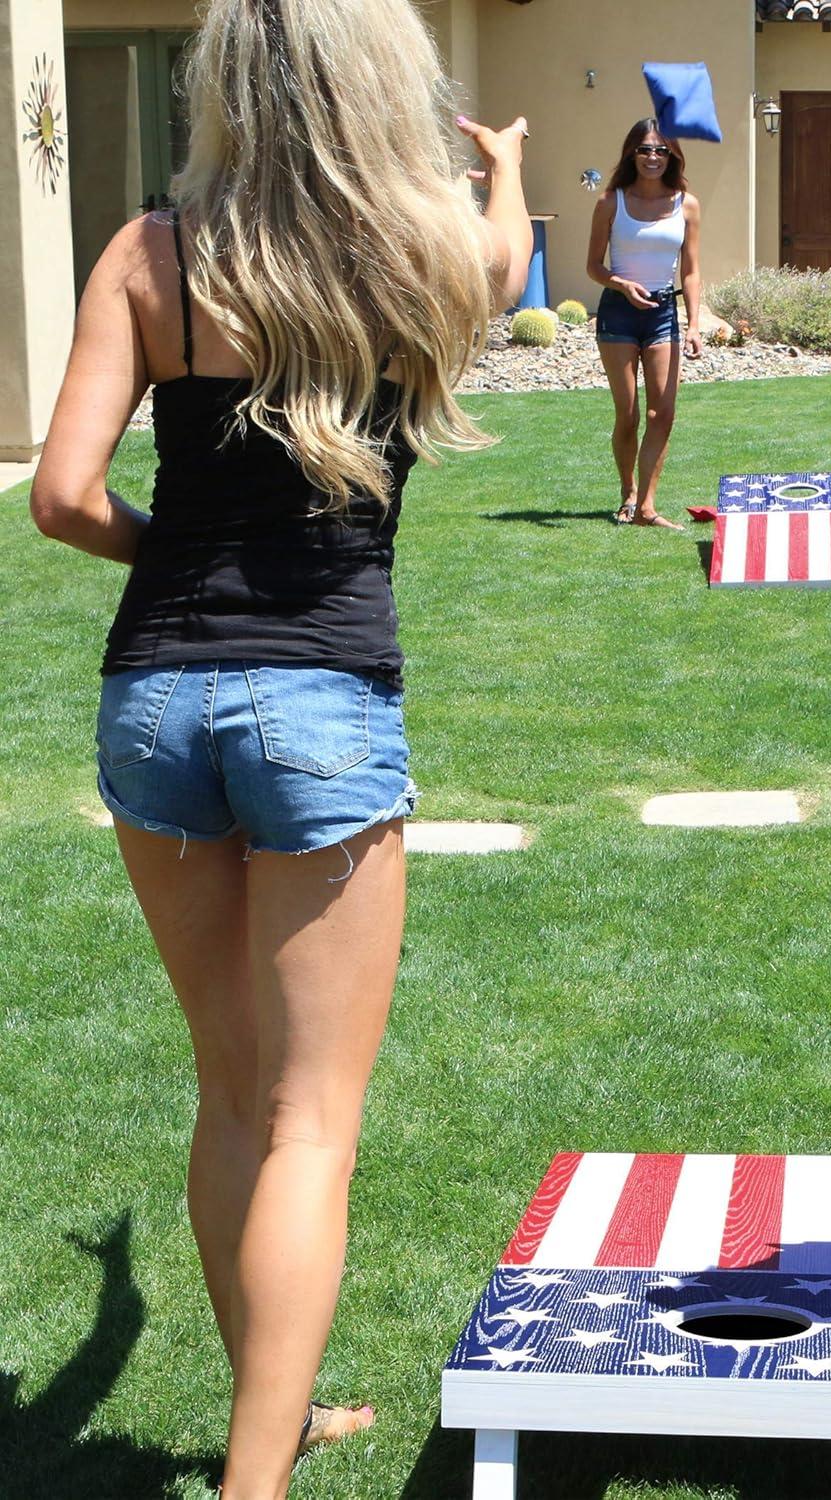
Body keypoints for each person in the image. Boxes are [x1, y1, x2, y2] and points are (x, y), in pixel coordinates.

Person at [28, 0, 531, 1493]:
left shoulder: (150, 252)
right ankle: (257, 1480)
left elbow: (60, 497)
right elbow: (503, 258)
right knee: (313, 1125)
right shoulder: (417, 256)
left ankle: (279, 1410)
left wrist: (182, 564)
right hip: (319, 703)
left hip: (156, 704)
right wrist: (499, 162)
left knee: (232, 1091)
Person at [585, 118, 703, 529]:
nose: (652, 157)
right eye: (644, 149)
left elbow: (690, 271)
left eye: (660, 151)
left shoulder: (686, 204)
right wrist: (620, 283)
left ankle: (648, 508)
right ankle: (628, 495)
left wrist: (693, 323)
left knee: (663, 412)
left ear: (671, 156)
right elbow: (593, 266)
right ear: (631, 153)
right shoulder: (610, 202)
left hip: (662, 313)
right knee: (629, 414)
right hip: (618, 312)